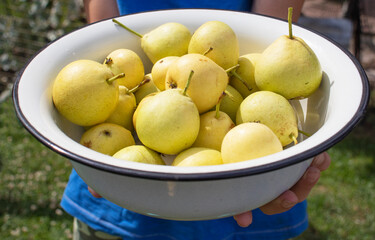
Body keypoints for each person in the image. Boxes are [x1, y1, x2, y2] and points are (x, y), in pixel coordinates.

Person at [61, 1, 331, 239]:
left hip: (246, 187)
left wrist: (273, 178)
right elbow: (100, 27)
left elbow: (277, 51)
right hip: (114, 179)